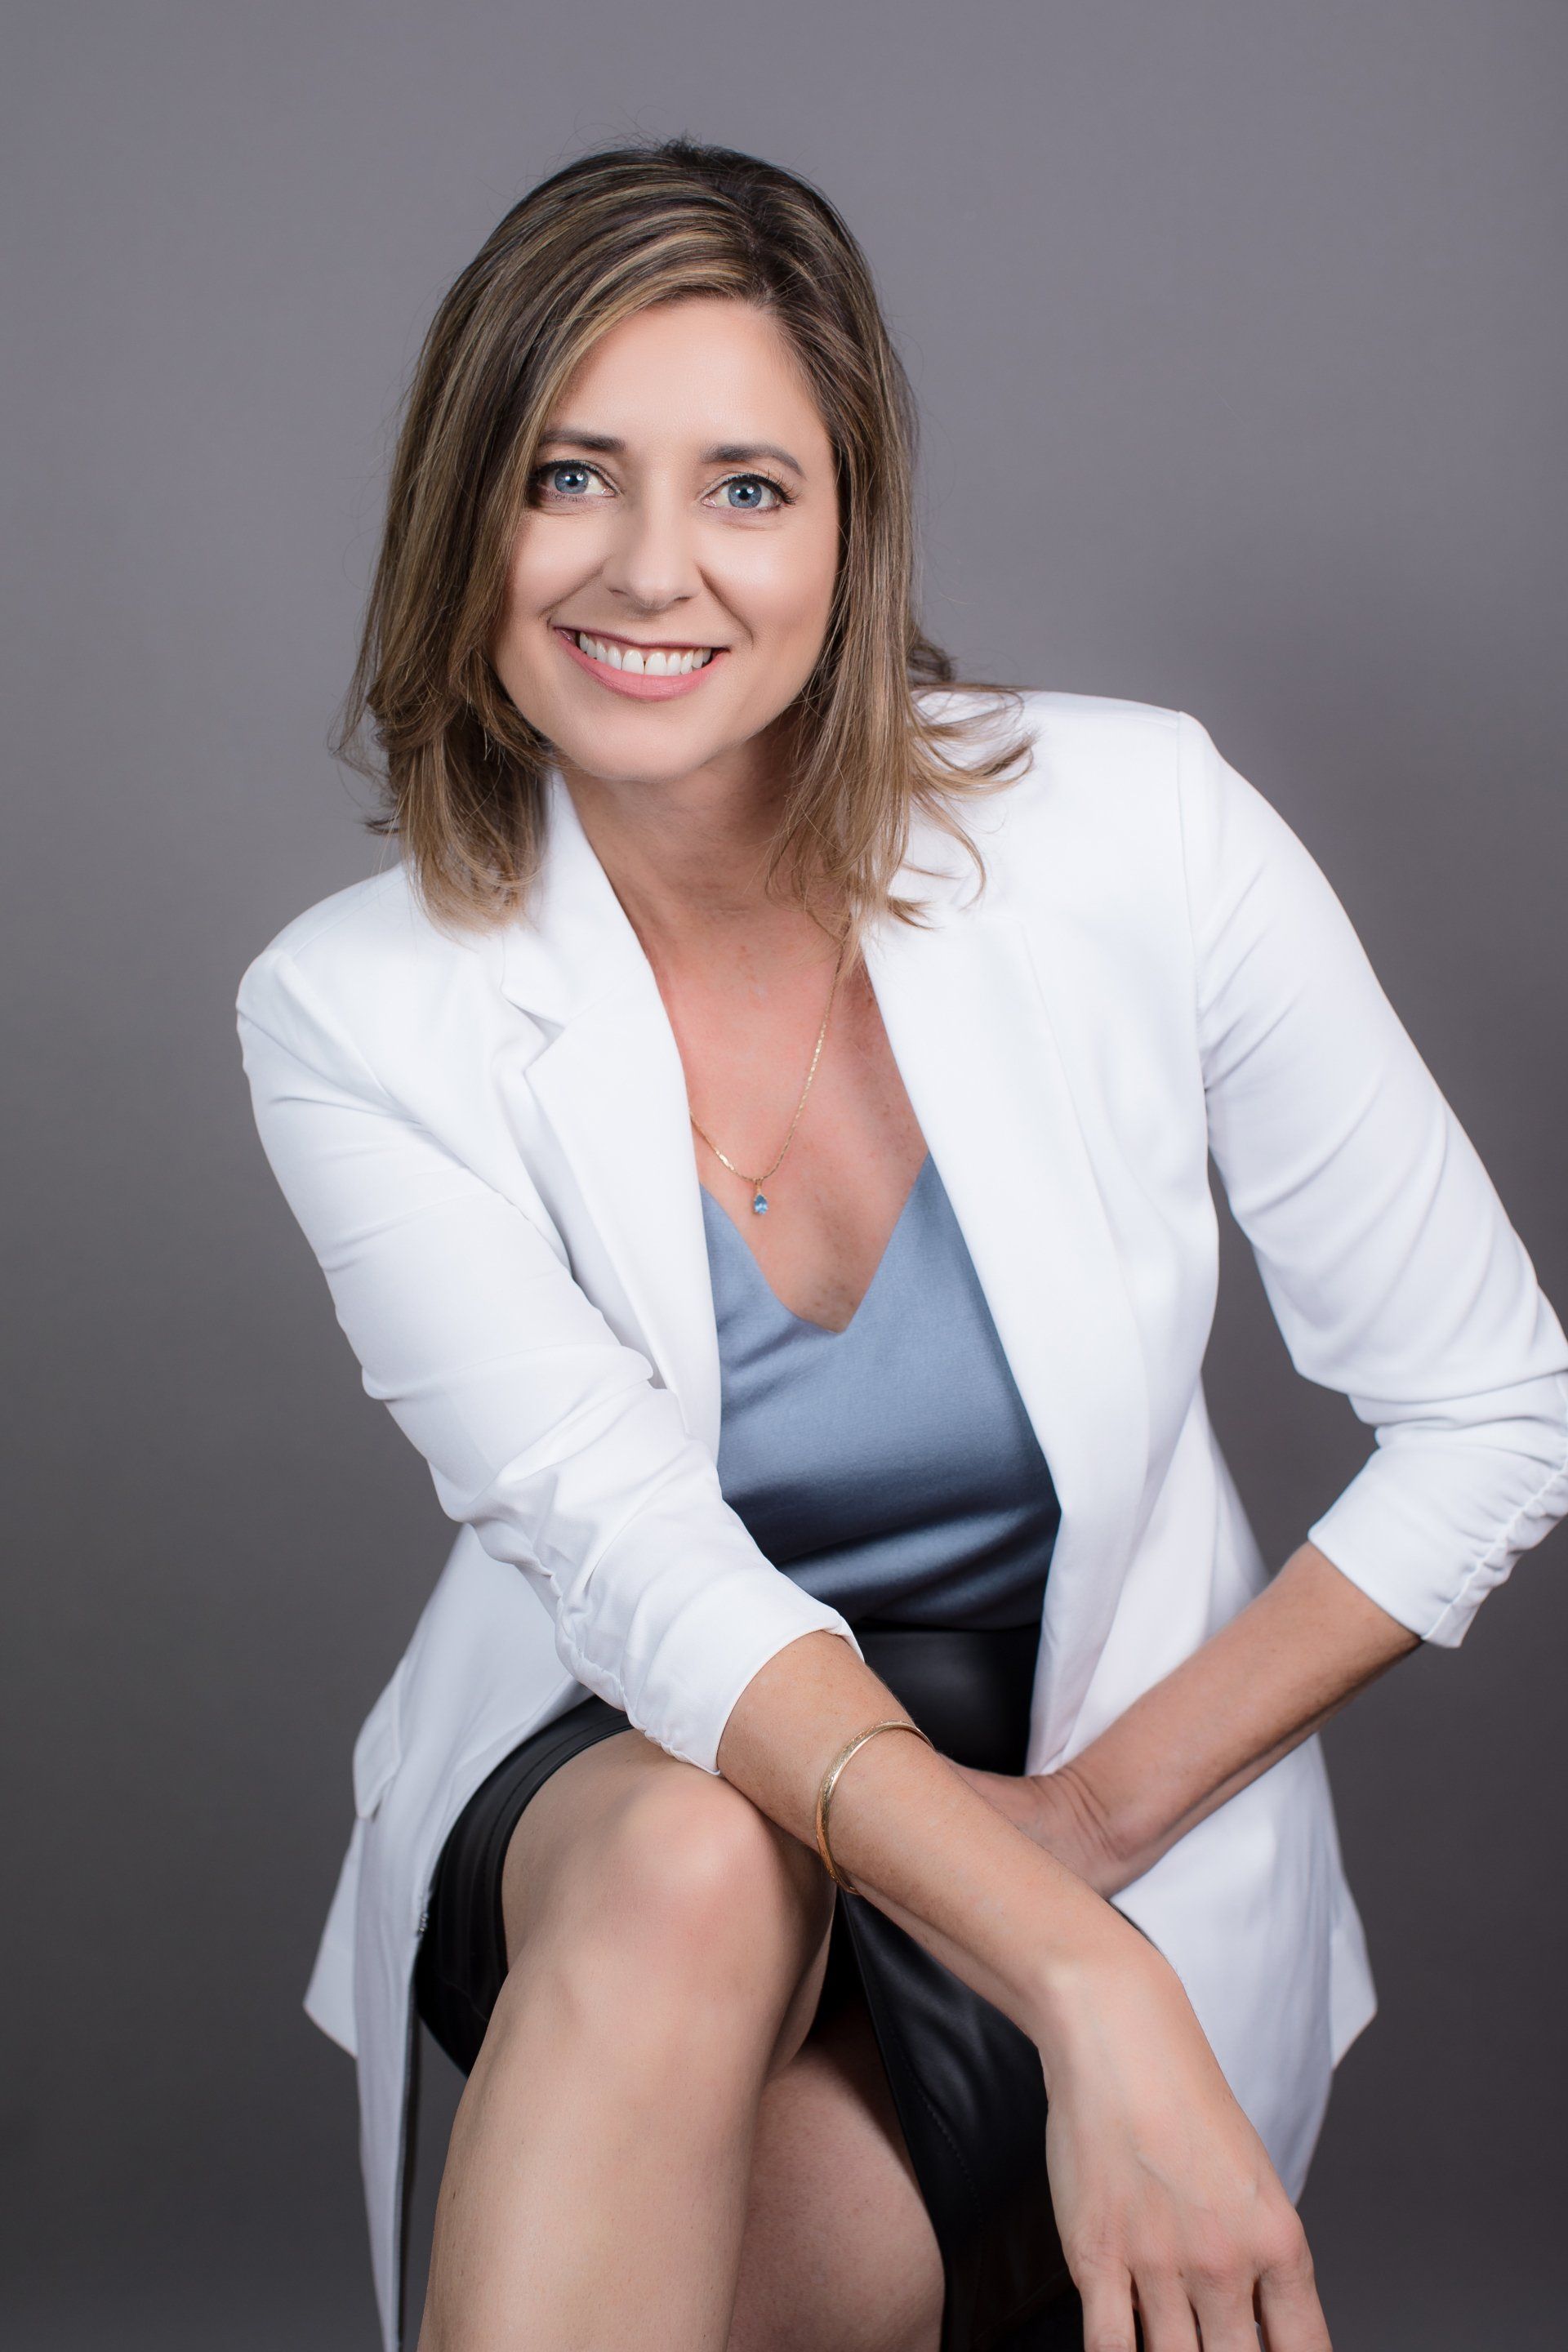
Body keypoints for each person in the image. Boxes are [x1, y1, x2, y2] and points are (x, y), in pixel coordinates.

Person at [234, 140, 1568, 2352]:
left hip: (1084, 1809)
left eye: (747, 485)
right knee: (692, 1858)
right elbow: (641, 1568)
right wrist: (1079, 1979)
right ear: (465, 509)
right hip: (626, 1784)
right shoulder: (351, 1008)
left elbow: (1494, 1410)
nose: (652, 569)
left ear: (854, 536)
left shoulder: (1142, 832)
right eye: (572, 474)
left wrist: (1082, 1851)